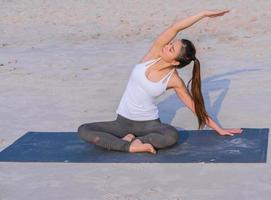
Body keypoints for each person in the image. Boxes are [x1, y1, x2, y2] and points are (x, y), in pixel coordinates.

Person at [77, 9, 243, 154]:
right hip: (121, 122)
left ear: (175, 62)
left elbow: (195, 107)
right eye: (170, 44)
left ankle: (135, 141)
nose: (167, 46)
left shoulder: (173, 80)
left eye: (171, 49)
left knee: (172, 136)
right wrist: (203, 14)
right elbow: (175, 28)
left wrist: (219, 129)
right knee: (84, 130)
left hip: (149, 125)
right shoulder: (153, 54)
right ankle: (131, 145)